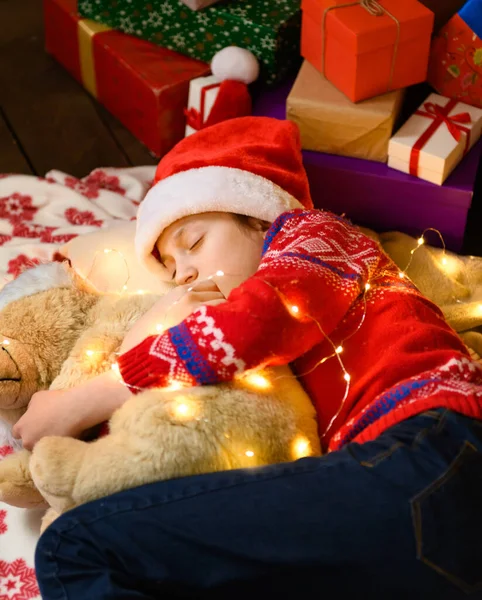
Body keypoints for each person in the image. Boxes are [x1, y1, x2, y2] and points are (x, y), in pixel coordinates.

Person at [13, 117, 482, 599]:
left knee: (71, 547)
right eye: (170, 270)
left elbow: (262, 319)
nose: (184, 274)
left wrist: (91, 397)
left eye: (192, 242)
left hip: (434, 448)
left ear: (257, 217)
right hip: (398, 499)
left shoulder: (313, 236)